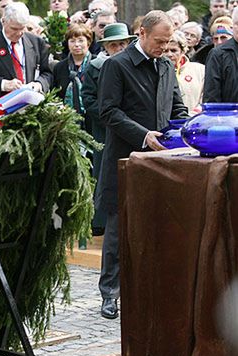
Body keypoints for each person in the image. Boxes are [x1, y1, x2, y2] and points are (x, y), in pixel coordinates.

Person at [96, 10, 188, 319]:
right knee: (118, 230)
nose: (164, 47)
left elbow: (177, 106)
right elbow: (107, 111)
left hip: (161, 159)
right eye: (159, 41)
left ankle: (149, 290)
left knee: (156, 225)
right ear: (142, 34)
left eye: (168, 42)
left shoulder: (165, 65)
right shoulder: (116, 65)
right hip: (125, 158)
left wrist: (185, 130)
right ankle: (110, 293)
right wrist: (144, 135)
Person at [82, 22, 136, 237]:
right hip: (104, 129)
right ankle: (101, 221)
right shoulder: (96, 66)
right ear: (106, 47)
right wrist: (108, 117)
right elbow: (88, 98)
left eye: (123, 44)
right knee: (104, 172)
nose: (119, 49)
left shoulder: (132, 65)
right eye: (114, 45)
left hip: (130, 126)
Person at [0, 2, 52, 115]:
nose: (19, 33)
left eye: (22, 28)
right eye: (14, 28)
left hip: (32, 110)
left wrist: (38, 85)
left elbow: (47, 73)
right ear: (3, 21)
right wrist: (4, 84)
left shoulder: (36, 42)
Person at [52, 23, 94, 124]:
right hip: (66, 121)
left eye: (80, 40)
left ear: (88, 42)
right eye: (72, 41)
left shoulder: (97, 64)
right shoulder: (59, 67)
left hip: (93, 120)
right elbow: (56, 94)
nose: (76, 45)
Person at [163, 30, 204, 114]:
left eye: (174, 50)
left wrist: (192, 116)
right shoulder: (155, 71)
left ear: (183, 51)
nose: (169, 54)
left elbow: (206, 98)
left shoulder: (200, 70)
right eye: (165, 51)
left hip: (194, 122)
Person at [203, 8, 238, 103]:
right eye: (237, 24)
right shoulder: (218, 55)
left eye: (223, 38)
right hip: (229, 115)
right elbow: (211, 97)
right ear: (233, 27)